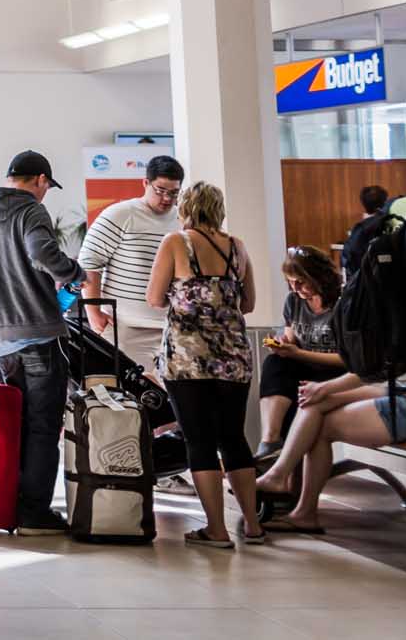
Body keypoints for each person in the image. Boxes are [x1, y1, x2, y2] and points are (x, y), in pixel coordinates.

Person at [0, 150, 85, 535]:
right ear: (39, 180)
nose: (46, 193)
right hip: (37, 332)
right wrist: (72, 272)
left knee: (15, 424)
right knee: (42, 426)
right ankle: (34, 512)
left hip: (2, 339)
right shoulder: (30, 211)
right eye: (47, 186)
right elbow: (40, 252)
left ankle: (11, 502)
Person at [146, 180, 261, 548]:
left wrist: (185, 297)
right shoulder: (237, 247)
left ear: (187, 208)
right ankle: (254, 526)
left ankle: (216, 529)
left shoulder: (176, 243)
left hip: (188, 358)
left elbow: (153, 297)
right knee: (233, 437)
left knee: (199, 440)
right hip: (234, 357)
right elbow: (248, 305)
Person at [255, 368, 406, 533]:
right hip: (400, 389)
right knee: (313, 401)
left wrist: (324, 387)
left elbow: (375, 368)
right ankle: (279, 478)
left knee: (321, 425)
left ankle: (288, 490)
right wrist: (323, 389)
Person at [78, 154, 183, 380]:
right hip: (125, 327)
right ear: (145, 183)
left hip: (171, 328)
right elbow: (89, 263)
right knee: (126, 402)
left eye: (174, 193)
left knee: (169, 405)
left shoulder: (183, 220)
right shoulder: (120, 214)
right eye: (160, 190)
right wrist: (93, 312)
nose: (166, 198)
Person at [257, 245, 344, 458]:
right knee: (274, 363)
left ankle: (281, 454)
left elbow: (349, 360)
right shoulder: (294, 301)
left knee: (296, 383)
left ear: (318, 277)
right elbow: (291, 337)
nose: (294, 288)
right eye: (290, 282)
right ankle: (270, 441)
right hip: (304, 366)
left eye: (300, 282)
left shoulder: (343, 304)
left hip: (336, 372)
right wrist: (282, 343)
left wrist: (297, 353)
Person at [341, 184, 393, 275]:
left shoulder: (360, 229)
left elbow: (348, 258)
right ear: (385, 201)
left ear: (363, 203)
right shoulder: (394, 222)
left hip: (365, 281)